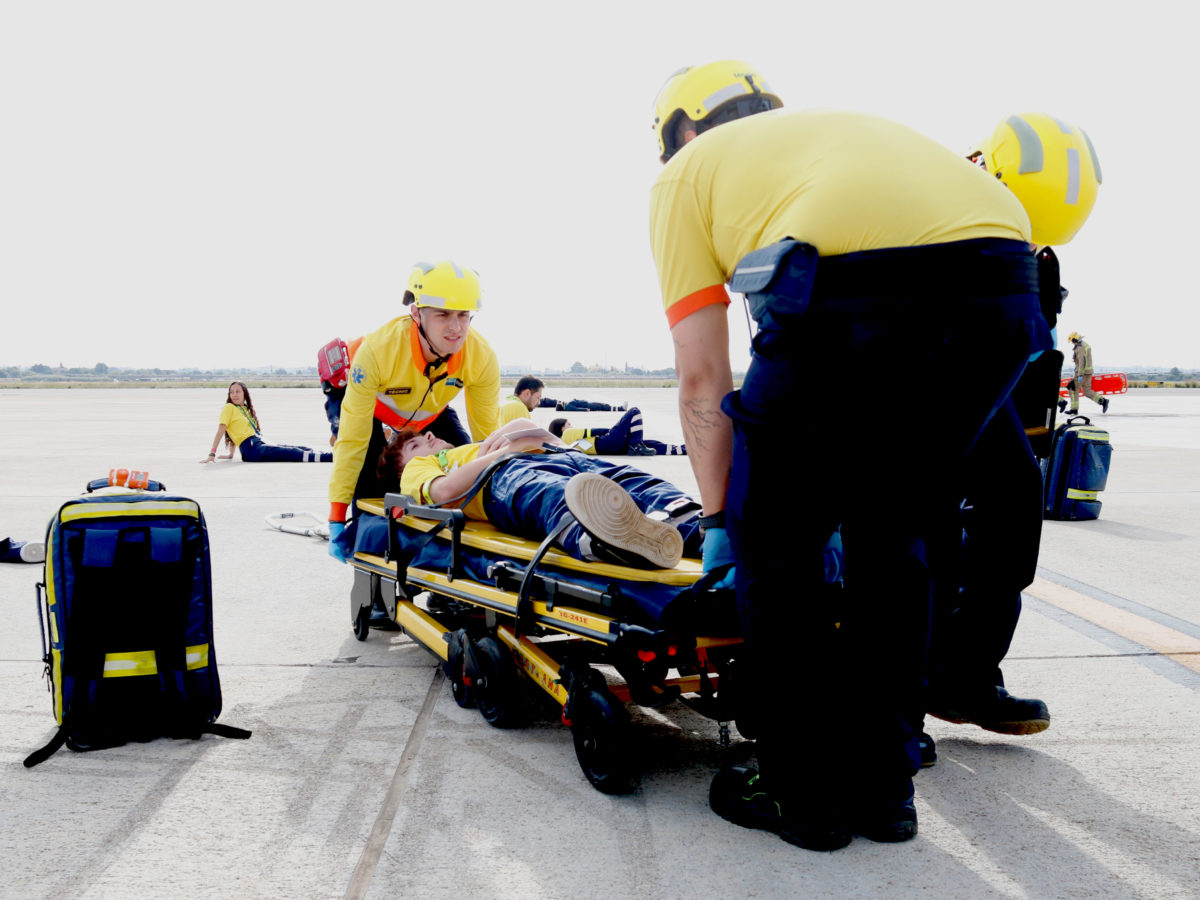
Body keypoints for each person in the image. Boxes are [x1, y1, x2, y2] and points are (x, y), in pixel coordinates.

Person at [649, 60, 1050, 850]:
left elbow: (703, 378)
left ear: (681, 133)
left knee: (782, 546)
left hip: (860, 293)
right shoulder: (829, 135)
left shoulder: (684, 176)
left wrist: (728, 523)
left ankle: (803, 798)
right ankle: (885, 793)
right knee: (895, 538)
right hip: (1006, 285)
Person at [923, 113, 1103, 765]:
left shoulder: (1035, 241)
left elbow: (1026, 345)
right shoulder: (931, 211)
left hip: (978, 382)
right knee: (923, 520)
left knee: (1014, 500)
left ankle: (964, 676)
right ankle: (894, 694)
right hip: (906, 367)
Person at [327, 260, 500, 566]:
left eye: (463, 315)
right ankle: (373, 584)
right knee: (371, 486)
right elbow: (352, 441)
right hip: (367, 404)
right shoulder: (378, 352)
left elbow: (487, 439)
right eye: (443, 314)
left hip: (426, 411)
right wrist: (337, 515)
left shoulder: (481, 356)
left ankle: (453, 574)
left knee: (465, 469)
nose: (456, 327)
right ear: (417, 313)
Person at [380, 418, 701, 567]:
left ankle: (691, 524)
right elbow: (445, 490)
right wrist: (508, 450)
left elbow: (527, 430)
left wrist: (514, 432)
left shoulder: (465, 450)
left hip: (558, 456)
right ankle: (605, 537)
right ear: (404, 464)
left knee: (629, 481)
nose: (429, 436)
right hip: (504, 476)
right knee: (550, 495)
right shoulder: (417, 469)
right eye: (414, 443)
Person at [200, 381, 332, 463]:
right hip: (252, 449)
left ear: (244, 394)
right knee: (293, 453)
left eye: (238, 392)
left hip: (259, 443)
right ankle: (331, 458)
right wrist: (212, 454)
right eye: (231, 392)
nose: (234, 394)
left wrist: (231, 454)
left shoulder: (244, 409)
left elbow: (235, 430)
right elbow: (222, 430)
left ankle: (327, 454)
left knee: (301, 448)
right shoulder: (229, 408)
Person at [549, 408, 686, 456]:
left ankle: (683, 450)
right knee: (634, 411)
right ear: (562, 428)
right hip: (606, 442)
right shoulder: (567, 434)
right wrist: (621, 429)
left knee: (651, 444)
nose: (571, 425)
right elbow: (597, 431)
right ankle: (636, 446)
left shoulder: (563, 445)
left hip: (608, 449)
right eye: (569, 424)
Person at [1066, 331, 1109, 414]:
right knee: (1087, 391)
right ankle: (1103, 401)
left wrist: (1080, 374)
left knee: (1073, 388)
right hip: (1088, 372)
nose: (1072, 343)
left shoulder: (1080, 347)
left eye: (1072, 341)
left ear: (1075, 340)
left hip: (1082, 373)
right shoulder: (1084, 344)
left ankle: (1074, 409)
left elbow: (1082, 361)